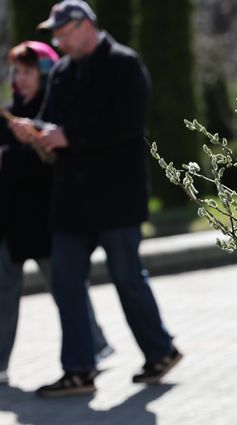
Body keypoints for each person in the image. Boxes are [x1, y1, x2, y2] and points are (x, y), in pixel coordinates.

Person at [10, 0, 181, 397]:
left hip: (116, 197)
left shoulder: (124, 63)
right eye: (56, 34)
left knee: (126, 276)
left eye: (64, 32)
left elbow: (128, 122)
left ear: (86, 26)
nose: (58, 40)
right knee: (66, 282)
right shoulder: (64, 73)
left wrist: (71, 136)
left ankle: (160, 351)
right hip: (71, 200)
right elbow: (52, 124)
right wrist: (35, 133)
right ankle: (79, 371)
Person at [0, 41, 112, 388]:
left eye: (28, 71)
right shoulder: (8, 113)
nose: (20, 78)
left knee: (65, 289)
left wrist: (22, 146)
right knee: (3, 291)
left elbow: (51, 161)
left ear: (45, 73)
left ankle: (95, 343)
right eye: (17, 71)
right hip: (10, 220)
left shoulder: (54, 111)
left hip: (46, 218)